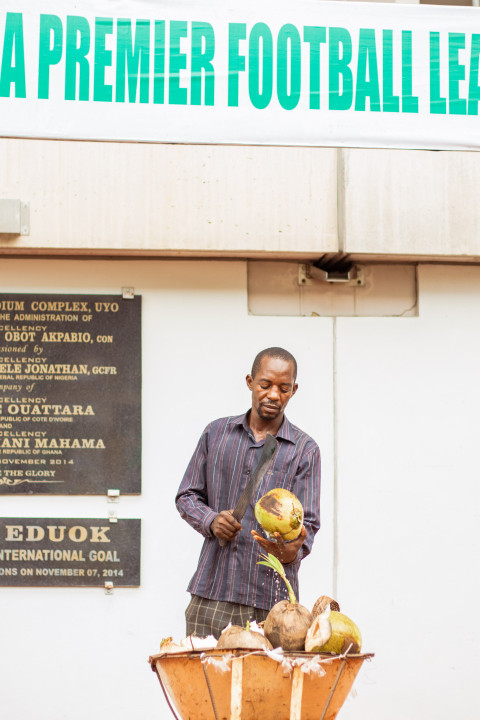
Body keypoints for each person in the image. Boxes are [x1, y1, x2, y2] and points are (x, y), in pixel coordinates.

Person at [175, 347, 321, 638]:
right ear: (250, 382)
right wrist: (211, 520)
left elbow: (309, 526)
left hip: (273, 606)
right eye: (265, 385)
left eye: (283, 388)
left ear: (294, 390)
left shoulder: (305, 450)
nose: (273, 395)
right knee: (203, 681)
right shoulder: (216, 434)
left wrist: (291, 550)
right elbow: (187, 495)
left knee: (266, 684)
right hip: (212, 592)